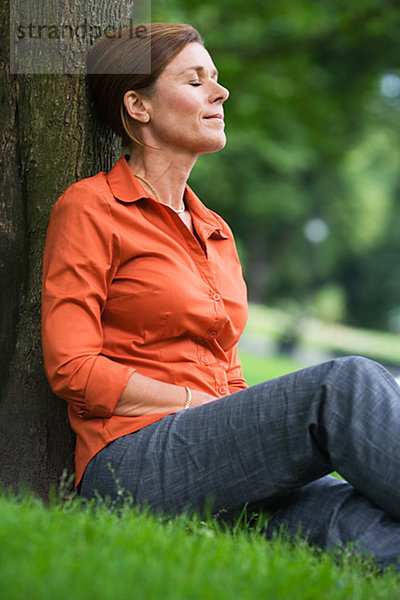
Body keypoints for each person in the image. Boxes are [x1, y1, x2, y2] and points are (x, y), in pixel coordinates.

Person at [41, 22, 400, 570]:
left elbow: (228, 372)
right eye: (195, 80)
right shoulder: (91, 207)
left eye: (217, 77)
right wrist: (196, 405)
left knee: (367, 524)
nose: (221, 91)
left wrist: (240, 424)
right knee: (345, 382)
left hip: (218, 461)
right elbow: (72, 368)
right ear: (139, 106)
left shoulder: (215, 230)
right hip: (133, 464)